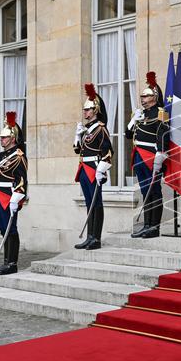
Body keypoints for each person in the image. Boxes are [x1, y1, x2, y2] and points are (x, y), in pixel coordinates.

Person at [0, 111, 28, 274]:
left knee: (11, 229)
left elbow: (22, 180)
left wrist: (16, 199)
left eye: (4, 138)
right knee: (4, 229)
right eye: (1, 137)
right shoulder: (0, 156)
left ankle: (12, 263)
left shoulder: (19, 156)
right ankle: (5, 261)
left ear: (12, 139)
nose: (1, 140)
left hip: (9, 195)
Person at [129, 73, 169, 239]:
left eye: (146, 96)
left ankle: (154, 227)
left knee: (154, 191)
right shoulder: (140, 114)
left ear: (154, 97)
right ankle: (146, 225)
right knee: (145, 191)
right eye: (142, 96)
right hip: (139, 154)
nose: (143, 99)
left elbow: (163, 134)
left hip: (152, 155)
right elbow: (127, 135)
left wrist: (161, 153)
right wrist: (133, 121)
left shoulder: (160, 113)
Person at [74, 83, 113, 250]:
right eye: (84, 110)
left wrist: (101, 170)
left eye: (88, 109)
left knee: (97, 203)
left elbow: (108, 152)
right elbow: (78, 150)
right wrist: (77, 136)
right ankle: (89, 236)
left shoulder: (101, 129)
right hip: (84, 168)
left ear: (95, 111)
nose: (85, 112)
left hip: (94, 169)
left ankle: (96, 238)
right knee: (89, 203)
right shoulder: (87, 129)